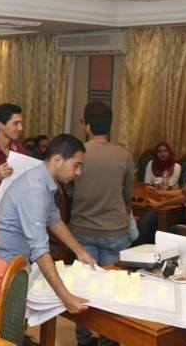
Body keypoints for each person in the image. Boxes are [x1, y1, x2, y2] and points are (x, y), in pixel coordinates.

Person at [0, 134, 95, 313]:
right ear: (57, 160)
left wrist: (80, 251)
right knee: (10, 317)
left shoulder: (43, 179)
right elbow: (40, 250)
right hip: (6, 263)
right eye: (76, 165)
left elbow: (54, 220)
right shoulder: (35, 189)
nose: (78, 173)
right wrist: (66, 298)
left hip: (18, 258)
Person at [68, 102, 133, 346]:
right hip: (114, 229)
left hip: (82, 228)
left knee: (83, 288)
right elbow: (127, 195)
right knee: (113, 290)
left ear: (87, 125)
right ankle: (108, 340)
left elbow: (68, 189)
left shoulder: (77, 154)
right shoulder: (124, 155)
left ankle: (83, 339)